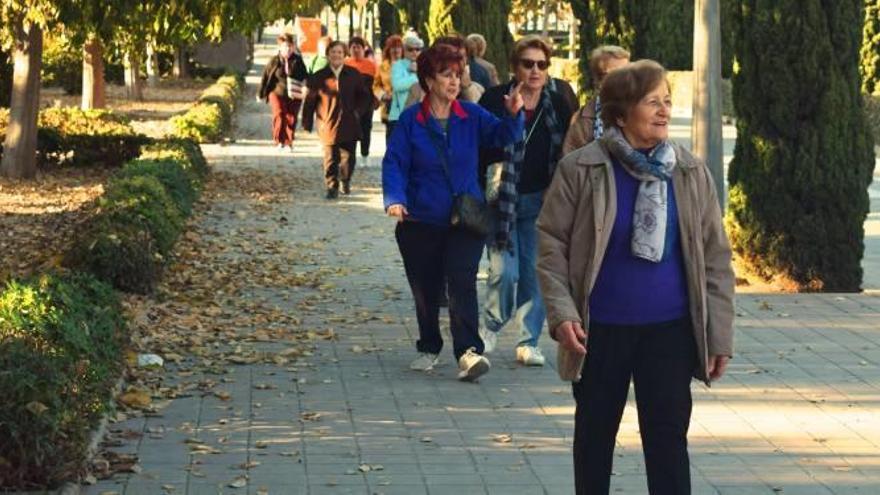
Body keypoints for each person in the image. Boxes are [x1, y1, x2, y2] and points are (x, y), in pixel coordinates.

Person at [536, 60, 735, 494]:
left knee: (667, 443)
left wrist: (719, 335)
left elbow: (716, 257)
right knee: (593, 442)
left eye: (667, 100)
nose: (664, 110)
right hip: (598, 331)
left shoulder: (688, 170)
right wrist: (562, 313)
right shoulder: (580, 168)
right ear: (620, 113)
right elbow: (551, 246)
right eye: (652, 102)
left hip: (669, 331)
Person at [382, 43, 525, 382]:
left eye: (458, 74)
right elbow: (395, 163)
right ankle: (429, 344)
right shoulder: (410, 120)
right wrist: (395, 198)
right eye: (447, 75)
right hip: (420, 218)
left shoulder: (470, 115)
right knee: (426, 288)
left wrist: (514, 113)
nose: (455, 81)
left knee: (461, 280)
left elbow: (503, 136)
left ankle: (468, 352)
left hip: (465, 217)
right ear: (429, 80)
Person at [478, 35, 573, 366]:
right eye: (528, 64)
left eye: (542, 64)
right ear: (514, 67)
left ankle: (528, 341)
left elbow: (569, 151)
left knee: (534, 274)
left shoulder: (558, 103)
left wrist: (559, 189)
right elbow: (482, 144)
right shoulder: (494, 98)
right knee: (504, 273)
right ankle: (490, 325)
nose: (535, 70)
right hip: (500, 199)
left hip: (540, 200)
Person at [302, 41, 373, 199]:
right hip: (328, 122)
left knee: (349, 158)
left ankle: (345, 180)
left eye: (340, 52)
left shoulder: (353, 74)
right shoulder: (319, 77)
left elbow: (364, 96)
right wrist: (307, 122)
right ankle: (332, 185)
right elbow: (310, 101)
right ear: (328, 55)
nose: (336, 55)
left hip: (350, 122)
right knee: (330, 157)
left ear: (344, 55)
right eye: (333, 52)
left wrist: (358, 112)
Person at [562, 45, 631, 155]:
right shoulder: (582, 120)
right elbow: (569, 167)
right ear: (598, 81)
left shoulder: (642, 112)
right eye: (613, 75)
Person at [258, 33, 308, 151]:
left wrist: (305, 86)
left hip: (294, 93)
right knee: (279, 113)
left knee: (291, 117)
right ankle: (278, 141)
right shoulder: (274, 61)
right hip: (276, 92)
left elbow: (305, 76)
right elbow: (265, 76)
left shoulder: (298, 60)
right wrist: (261, 93)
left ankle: (288, 142)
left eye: (290, 46)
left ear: (293, 46)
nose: (288, 49)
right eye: (285, 46)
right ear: (280, 47)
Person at [405, 35, 485, 106]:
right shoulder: (417, 89)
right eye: (453, 57)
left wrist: (467, 88)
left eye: (462, 57)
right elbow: (411, 119)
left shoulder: (478, 89)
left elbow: (479, 116)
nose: (459, 63)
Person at [345, 36, 378, 168]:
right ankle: (350, 155)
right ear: (349, 49)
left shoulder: (370, 65)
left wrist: (376, 100)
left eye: (358, 47)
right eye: (353, 47)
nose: (356, 49)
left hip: (367, 103)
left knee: (366, 129)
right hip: (350, 103)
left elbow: (376, 84)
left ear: (363, 49)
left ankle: (365, 155)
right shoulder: (346, 63)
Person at [388, 35, 423, 140]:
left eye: (417, 49)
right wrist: (414, 75)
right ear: (404, 50)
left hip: (420, 116)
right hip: (399, 116)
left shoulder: (424, 66)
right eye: (410, 49)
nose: (414, 52)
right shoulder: (398, 65)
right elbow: (397, 85)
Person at [374, 35, 404, 140]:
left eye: (398, 47)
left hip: (406, 108)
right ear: (388, 50)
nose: (396, 50)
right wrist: (383, 95)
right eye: (393, 47)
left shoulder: (409, 66)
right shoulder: (383, 67)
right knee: (391, 139)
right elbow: (376, 85)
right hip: (389, 108)